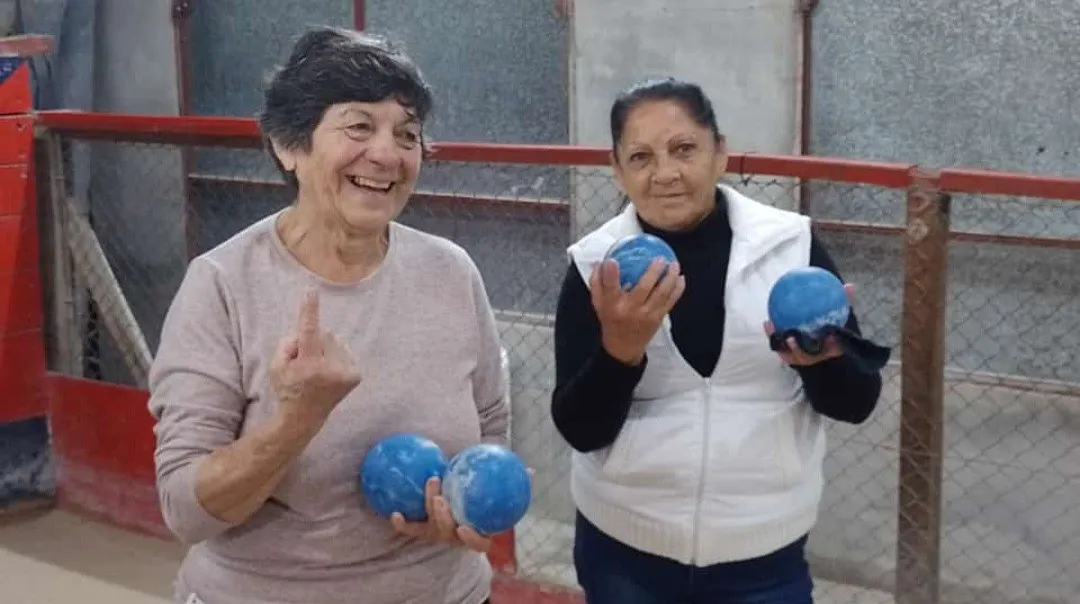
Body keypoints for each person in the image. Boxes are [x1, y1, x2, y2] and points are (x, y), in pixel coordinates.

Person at [147, 27, 509, 604]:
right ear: (289, 146)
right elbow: (186, 511)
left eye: (407, 134)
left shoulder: (452, 272)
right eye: (359, 126)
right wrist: (299, 418)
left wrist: (462, 509)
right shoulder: (222, 285)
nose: (387, 154)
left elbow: (490, 426)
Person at [550, 77, 885, 604]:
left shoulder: (789, 248)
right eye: (640, 157)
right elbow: (579, 428)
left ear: (720, 152)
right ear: (617, 170)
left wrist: (823, 361)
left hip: (764, 555)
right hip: (625, 551)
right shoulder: (597, 266)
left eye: (684, 149)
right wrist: (621, 351)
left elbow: (858, 403)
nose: (665, 173)